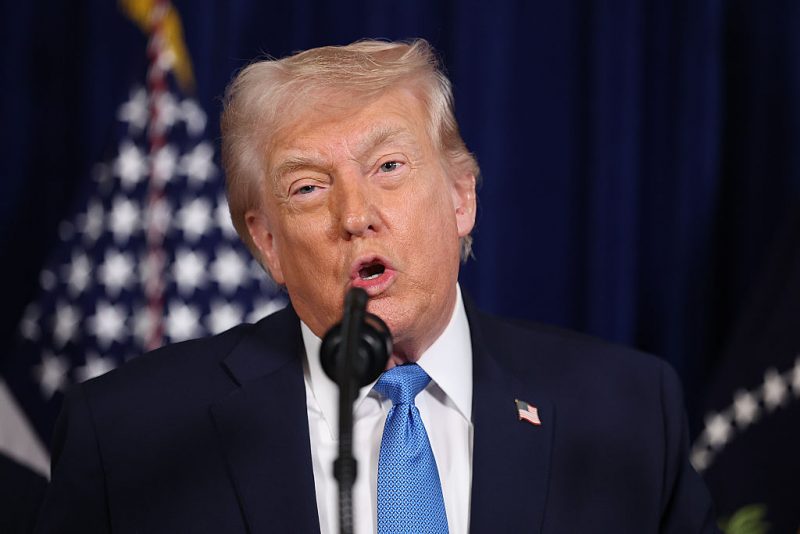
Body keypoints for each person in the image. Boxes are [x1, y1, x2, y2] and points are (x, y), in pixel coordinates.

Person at [35, 39, 718, 533]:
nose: (355, 214)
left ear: (460, 197)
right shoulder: (131, 436)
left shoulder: (628, 412)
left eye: (389, 166)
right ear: (267, 242)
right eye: (309, 187)